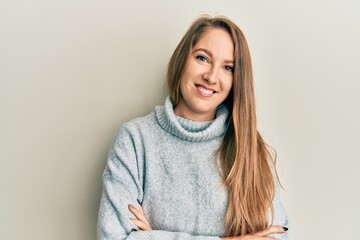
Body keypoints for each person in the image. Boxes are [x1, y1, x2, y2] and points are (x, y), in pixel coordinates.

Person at [97, 15, 289, 240]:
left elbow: (277, 237)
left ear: (237, 80)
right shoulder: (134, 141)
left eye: (228, 68)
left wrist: (151, 237)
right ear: (182, 60)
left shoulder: (249, 147)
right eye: (202, 58)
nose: (211, 76)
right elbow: (113, 237)